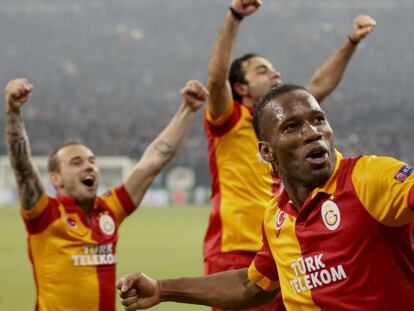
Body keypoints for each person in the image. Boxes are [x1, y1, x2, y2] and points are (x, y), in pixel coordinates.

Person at [117, 84, 414, 311]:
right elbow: (251, 286)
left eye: (318, 119)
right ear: (266, 152)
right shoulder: (277, 217)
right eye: (292, 126)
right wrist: (161, 289)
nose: (314, 133)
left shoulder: (369, 177)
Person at [203, 0, 376, 309]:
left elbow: (318, 86)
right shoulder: (228, 121)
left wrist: (351, 41)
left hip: (286, 245)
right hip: (237, 250)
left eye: (273, 68)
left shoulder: (286, 125)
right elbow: (216, 81)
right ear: (241, 88)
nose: (275, 73)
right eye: (262, 70)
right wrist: (234, 17)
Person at [4, 78, 208, 311]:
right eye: (76, 162)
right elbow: (23, 169)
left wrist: (187, 109)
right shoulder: (46, 215)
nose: (89, 166)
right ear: (55, 179)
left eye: (92, 161)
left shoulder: (109, 210)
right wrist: (13, 112)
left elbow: (153, 161)